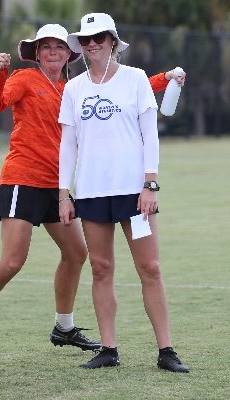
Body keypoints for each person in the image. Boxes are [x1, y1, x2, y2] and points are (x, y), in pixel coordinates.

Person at [0, 23, 183, 363]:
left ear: (69, 54)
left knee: (76, 255)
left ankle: (64, 327)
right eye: (46, 47)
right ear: (36, 53)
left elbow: (127, 89)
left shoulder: (73, 87)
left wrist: (167, 78)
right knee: (13, 261)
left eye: (59, 47)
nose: (53, 52)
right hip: (23, 180)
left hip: (57, 185)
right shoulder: (23, 79)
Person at [58, 13, 189, 373]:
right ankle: (108, 349)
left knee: (150, 267)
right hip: (91, 192)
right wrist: (62, 193)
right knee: (101, 269)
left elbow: (151, 135)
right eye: (85, 39)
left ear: (113, 41)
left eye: (99, 37)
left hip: (135, 193)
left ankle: (166, 350)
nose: (92, 44)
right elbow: (67, 144)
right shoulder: (74, 88)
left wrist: (150, 184)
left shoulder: (135, 80)